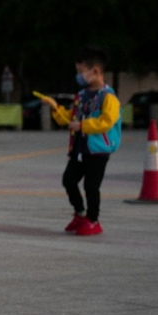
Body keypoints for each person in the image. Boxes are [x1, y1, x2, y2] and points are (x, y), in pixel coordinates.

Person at [37, 46, 121, 237]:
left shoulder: (108, 97)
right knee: (69, 180)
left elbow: (106, 121)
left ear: (96, 71)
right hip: (79, 148)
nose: (79, 76)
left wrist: (83, 126)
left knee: (91, 186)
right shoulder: (81, 96)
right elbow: (68, 118)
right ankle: (80, 213)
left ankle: (93, 220)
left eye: (81, 72)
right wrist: (55, 107)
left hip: (97, 150)